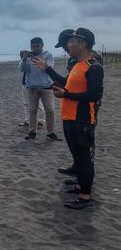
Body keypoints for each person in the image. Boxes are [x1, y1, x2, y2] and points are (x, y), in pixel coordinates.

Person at [33, 28, 103, 209]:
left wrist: (66, 94)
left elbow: (93, 95)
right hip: (69, 118)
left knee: (84, 158)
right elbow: (66, 83)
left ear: (83, 43)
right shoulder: (78, 65)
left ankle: (85, 197)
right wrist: (47, 69)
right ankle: (80, 185)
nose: (68, 45)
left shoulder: (93, 67)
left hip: (83, 119)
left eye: (72, 42)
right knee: (78, 157)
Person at [19, 37, 61, 141]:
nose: (36, 48)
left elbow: (49, 68)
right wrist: (24, 59)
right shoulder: (27, 57)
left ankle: (51, 133)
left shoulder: (48, 55)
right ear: (30, 47)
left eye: (38, 46)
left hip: (46, 87)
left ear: (42, 45)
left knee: (50, 110)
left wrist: (40, 61)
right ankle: (32, 132)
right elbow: (21, 69)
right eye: (33, 46)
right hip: (32, 87)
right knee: (32, 110)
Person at [18, 50, 45, 128]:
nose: (23, 55)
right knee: (26, 103)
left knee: (38, 103)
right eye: (22, 54)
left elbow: (38, 69)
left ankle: (40, 121)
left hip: (34, 84)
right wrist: (24, 59)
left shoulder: (34, 59)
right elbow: (21, 69)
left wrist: (32, 58)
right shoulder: (24, 60)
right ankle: (27, 120)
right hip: (25, 83)